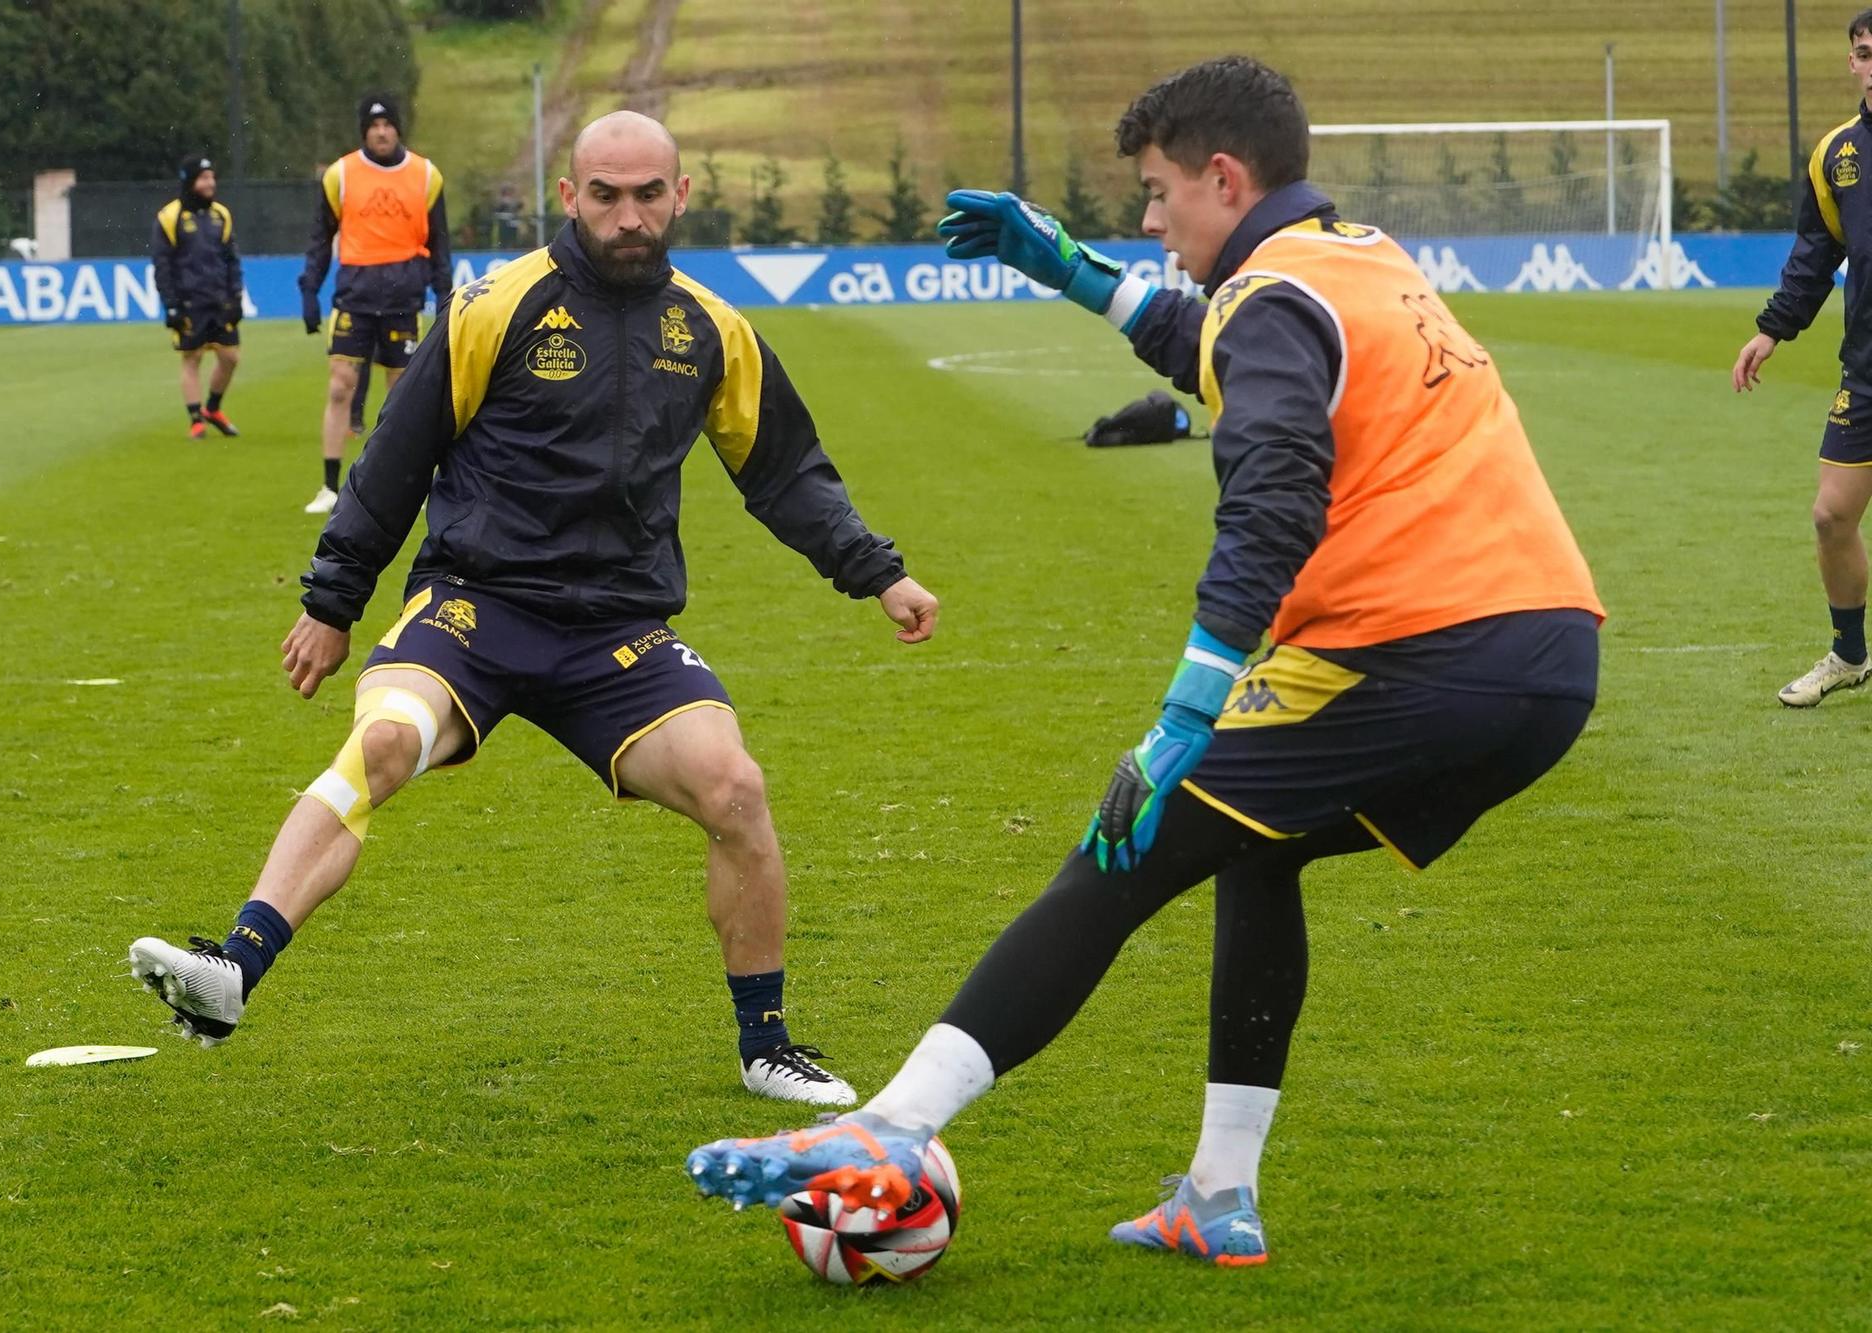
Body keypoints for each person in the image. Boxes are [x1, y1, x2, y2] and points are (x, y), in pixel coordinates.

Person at [686, 55, 1604, 1264]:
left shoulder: (1272, 295)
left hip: (1411, 649)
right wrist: (1061, 266)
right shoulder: (1355, 258)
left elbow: (1271, 495)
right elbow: (1211, 342)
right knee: (1249, 853)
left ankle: (895, 1126)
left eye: (1159, 192)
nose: (1148, 218)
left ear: (1223, 177)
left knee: (1121, 848)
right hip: (1546, 659)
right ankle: (1216, 1198)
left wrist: (1184, 710)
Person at [128, 110, 941, 1108]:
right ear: (569, 196)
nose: (628, 215)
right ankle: (231, 971)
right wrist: (333, 602)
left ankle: (765, 1043)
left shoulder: (709, 329)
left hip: (614, 633)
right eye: (605, 195)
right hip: (474, 606)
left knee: (734, 790)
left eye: (648, 194)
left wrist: (878, 572)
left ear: (680, 195)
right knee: (386, 742)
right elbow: (394, 458)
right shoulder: (493, 306)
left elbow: (785, 474)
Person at [1734, 8, 1872, 707]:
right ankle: (1849, 655)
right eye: (1866, 53)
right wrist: (1773, 329)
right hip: (1868, 369)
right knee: (1831, 516)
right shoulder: (1838, 156)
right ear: (1853, 62)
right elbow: (1817, 254)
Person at [297, 93, 453, 515]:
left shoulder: (425, 175)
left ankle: (408, 486)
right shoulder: (341, 175)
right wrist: (309, 289)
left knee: (404, 397)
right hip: (355, 297)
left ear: (398, 129)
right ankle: (329, 487)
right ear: (364, 130)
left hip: (404, 298)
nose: (381, 132)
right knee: (339, 387)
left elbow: (440, 243)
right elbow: (319, 239)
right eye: (373, 126)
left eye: (388, 125)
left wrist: (444, 295)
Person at [151, 154, 242, 440]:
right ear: (191, 182)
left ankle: (212, 408)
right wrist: (172, 305)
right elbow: (162, 265)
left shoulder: (221, 215)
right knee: (192, 358)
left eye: (212, 177)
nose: (210, 183)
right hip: (189, 302)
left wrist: (236, 296)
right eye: (204, 178)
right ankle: (195, 419)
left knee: (230, 357)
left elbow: (232, 260)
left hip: (219, 300)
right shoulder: (169, 217)